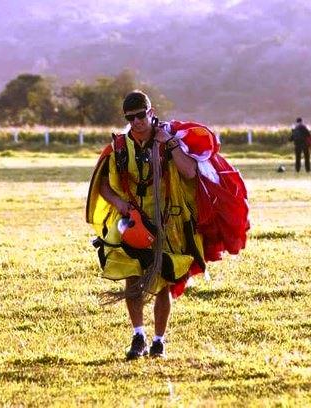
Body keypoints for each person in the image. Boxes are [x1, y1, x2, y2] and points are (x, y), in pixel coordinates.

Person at [86, 90, 249, 360]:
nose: (137, 121)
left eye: (141, 115)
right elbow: (102, 185)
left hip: (168, 223)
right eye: (131, 117)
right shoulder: (118, 148)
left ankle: (159, 341)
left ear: (150, 113)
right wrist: (119, 203)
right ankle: (138, 335)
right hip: (132, 222)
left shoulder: (167, 142)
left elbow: (189, 172)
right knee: (132, 278)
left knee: (164, 283)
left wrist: (171, 144)